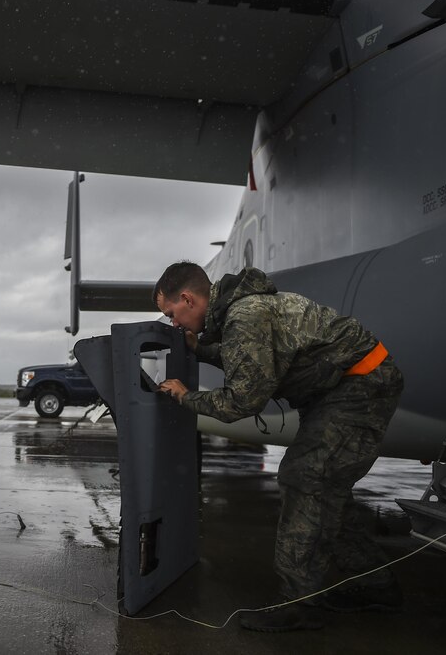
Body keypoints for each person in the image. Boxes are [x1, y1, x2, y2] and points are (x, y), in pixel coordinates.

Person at [153, 262, 404, 633]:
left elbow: (243, 400)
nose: (173, 323)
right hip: (344, 388)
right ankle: (374, 586)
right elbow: (251, 359)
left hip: (358, 387)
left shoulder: (246, 315)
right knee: (326, 491)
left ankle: (299, 604)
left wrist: (186, 397)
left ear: (188, 298)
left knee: (304, 480)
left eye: (171, 313)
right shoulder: (240, 313)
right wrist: (201, 350)